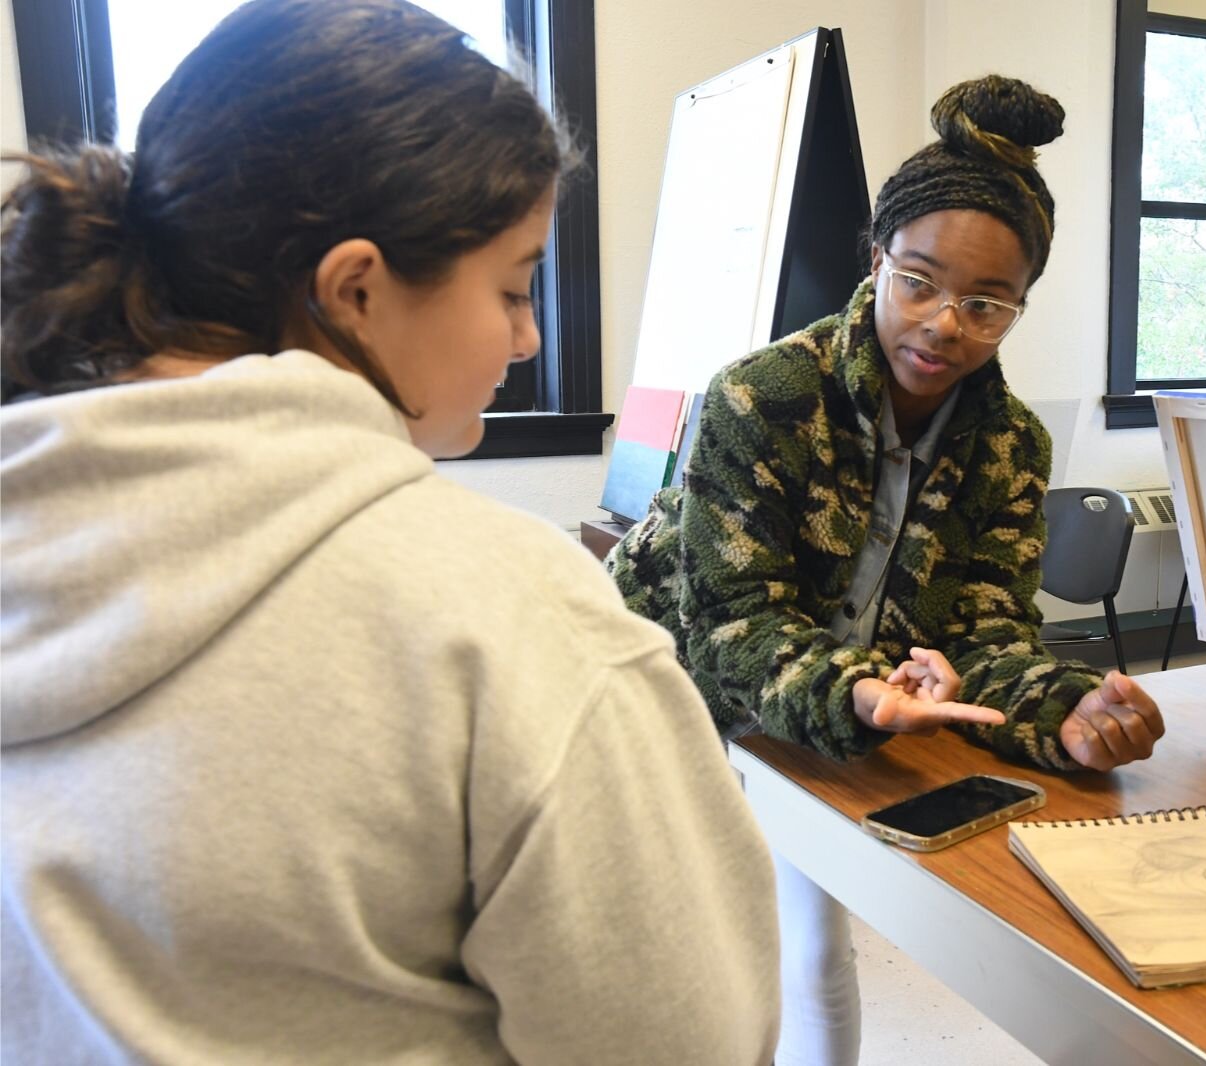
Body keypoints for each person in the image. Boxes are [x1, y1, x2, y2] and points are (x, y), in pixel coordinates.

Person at [0, 2, 779, 1063]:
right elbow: (688, 1042)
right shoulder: (506, 619)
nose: (529, 335)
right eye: (512, 285)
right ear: (355, 291)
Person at [607, 75, 1167, 1066]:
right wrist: (859, 691)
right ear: (875, 262)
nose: (945, 323)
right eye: (919, 282)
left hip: (823, 705)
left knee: (813, 938)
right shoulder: (764, 396)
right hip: (665, 690)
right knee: (673, 952)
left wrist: (1068, 712)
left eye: (986, 304)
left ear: (1018, 308)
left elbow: (991, 637)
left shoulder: (1010, 444)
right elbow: (731, 631)